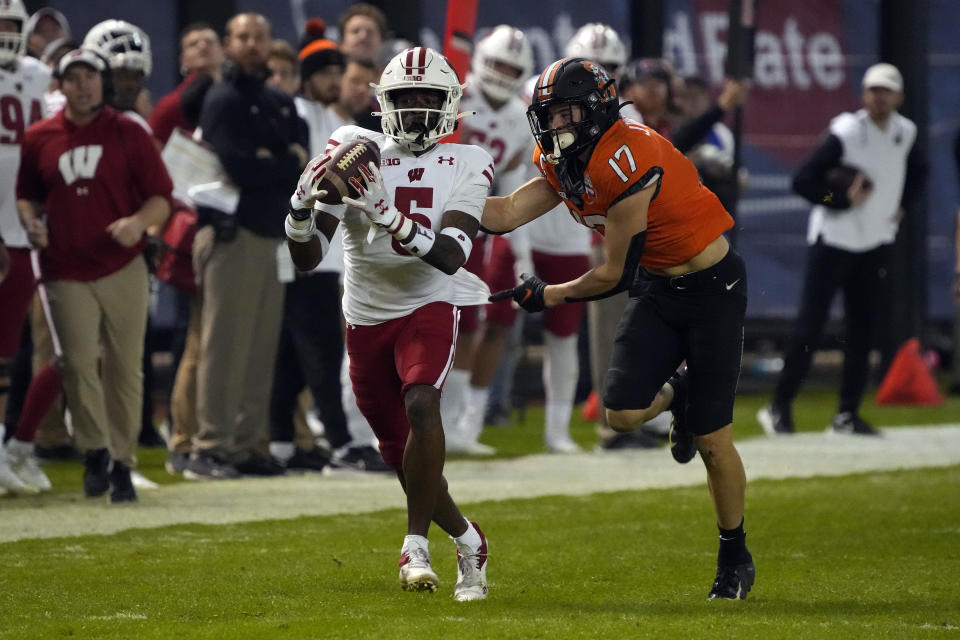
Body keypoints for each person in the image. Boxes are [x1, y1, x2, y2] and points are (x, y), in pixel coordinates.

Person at [483, 57, 754, 599]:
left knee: (712, 440)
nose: (554, 125)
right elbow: (509, 211)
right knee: (622, 414)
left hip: (710, 289)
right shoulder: (566, 159)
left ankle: (734, 552)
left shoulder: (628, 154)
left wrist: (548, 295)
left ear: (597, 108)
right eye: (548, 115)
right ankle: (678, 393)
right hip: (660, 285)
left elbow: (613, 273)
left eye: (565, 113)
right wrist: (441, 204)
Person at [285, 46, 491, 599]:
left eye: (430, 98)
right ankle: (471, 540)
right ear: (385, 103)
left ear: (449, 106)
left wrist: (389, 217)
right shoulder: (356, 148)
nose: (419, 109)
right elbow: (307, 260)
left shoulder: (469, 161)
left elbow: (451, 255)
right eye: (407, 98)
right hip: (366, 317)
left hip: (429, 303)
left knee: (423, 402)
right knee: (405, 458)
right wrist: (299, 212)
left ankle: (414, 546)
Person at [17, 48, 173, 502]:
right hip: (63, 267)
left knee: (126, 368)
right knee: (77, 362)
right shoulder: (39, 137)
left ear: (103, 83)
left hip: (121, 265)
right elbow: (26, 194)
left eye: (91, 76)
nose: (83, 85)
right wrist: (30, 222)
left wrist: (137, 223)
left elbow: (161, 197)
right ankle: (94, 452)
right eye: (74, 77)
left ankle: (122, 463)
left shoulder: (129, 132)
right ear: (59, 85)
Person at [757, 63, 923, 436]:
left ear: (900, 97)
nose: (879, 97)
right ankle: (778, 407)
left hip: (876, 241)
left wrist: (903, 206)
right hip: (833, 240)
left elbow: (920, 171)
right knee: (809, 328)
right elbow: (803, 181)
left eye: (887, 90)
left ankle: (847, 414)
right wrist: (840, 200)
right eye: (873, 90)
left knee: (862, 331)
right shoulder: (848, 131)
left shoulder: (906, 133)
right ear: (864, 94)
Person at [187, 13, 308, 479]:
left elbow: (303, 162)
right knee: (224, 347)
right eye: (243, 37)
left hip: (272, 234)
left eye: (260, 36)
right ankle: (210, 447)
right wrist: (279, 161)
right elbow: (237, 166)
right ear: (228, 43)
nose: (253, 44)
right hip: (232, 235)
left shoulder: (279, 100)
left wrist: (272, 161)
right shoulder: (222, 99)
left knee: (260, 349)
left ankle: (245, 447)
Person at [441, 25, 535, 455]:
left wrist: (521, 253)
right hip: (425, 219)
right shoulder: (453, 94)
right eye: (496, 62)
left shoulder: (520, 118)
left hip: (472, 232)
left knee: (466, 324)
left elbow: (513, 190)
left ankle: (454, 425)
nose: (501, 72)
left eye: (510, 67)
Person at [0, 0, 51, 493]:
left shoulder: (40, 75)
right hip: (4, 231)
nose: (4, 33)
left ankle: (15, 446)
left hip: (32, 231)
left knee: (38, 350)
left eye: (11, 25)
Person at [149, 22, 224, 146]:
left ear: (223, 52)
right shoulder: (170, 105)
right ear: (183, 59)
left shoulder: (237, 95)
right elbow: (153, 150)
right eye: (193, 44)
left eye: (209, 42)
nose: (203, 46)